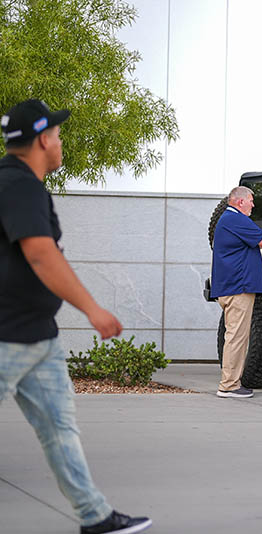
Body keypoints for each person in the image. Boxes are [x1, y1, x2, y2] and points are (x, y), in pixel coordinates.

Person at [0, 99, 152, 534]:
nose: (61, 142)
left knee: (60, 429)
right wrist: (93, 309)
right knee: (60, 430)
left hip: (37, 338)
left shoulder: (20, 183)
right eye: (59, 135)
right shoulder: (17, 184)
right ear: (44, 139)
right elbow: (41, 254)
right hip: (7, 337)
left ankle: (94, 515)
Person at [211, 186, 262, 398]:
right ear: (240, 202)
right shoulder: (235, 220)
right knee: (237, 338)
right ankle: (229, 385)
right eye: (250, 201)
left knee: (235, 337)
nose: (253, 205)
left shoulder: (230, 220)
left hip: (233, 287)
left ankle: (230, 383)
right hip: (238, 289)